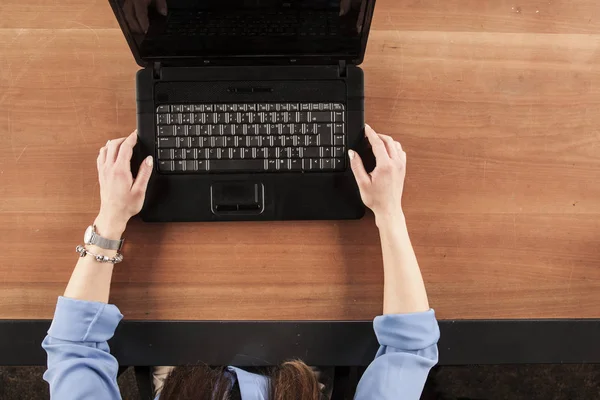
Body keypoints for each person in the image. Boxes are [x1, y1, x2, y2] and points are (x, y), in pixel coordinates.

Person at [42, 125, 439, 399]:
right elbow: (409, 349)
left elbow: (74, 348)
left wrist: (111, 217)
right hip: (299, 375)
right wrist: (388, 213)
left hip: (183, 374)